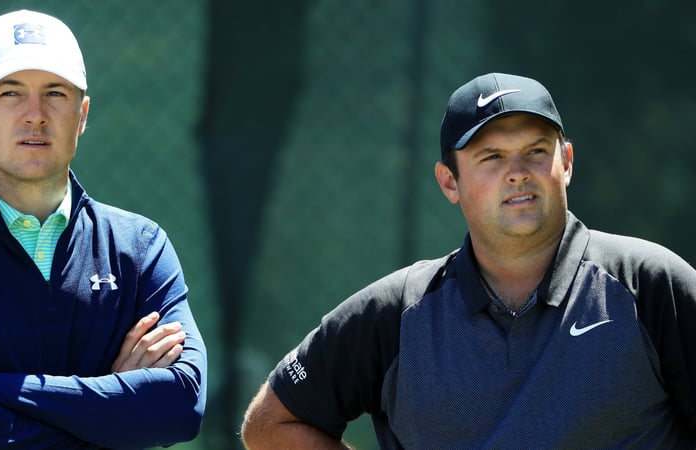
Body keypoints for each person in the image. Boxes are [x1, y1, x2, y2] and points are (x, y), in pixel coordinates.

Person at [240, 72, 696, 448]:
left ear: (567, 161)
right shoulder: (397, 313)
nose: (518, 171)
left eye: (536, 151)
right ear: (449, 182)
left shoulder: (650, 285)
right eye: (492, 157)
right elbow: (270, 426)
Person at [0, 9, 207, 449]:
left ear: (82, 114)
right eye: (10, 93)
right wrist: (113, 405)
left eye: (55, 93)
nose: (35, 115)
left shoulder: (140, 247)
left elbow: (180, 407)